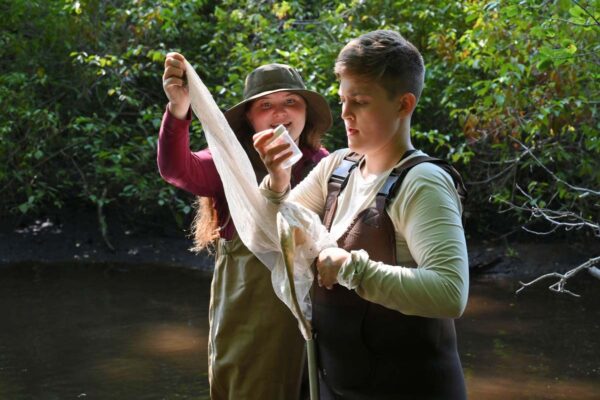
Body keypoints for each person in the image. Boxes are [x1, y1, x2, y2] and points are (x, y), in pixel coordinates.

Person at [254, 30, 469, 399]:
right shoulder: (337, 168)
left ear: (404, 104)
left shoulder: (423, 183)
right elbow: (265, 235)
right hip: (337, 386)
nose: (345, 113)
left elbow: (451, 293)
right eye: (342, 99)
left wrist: (352, 268)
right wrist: (276, 181)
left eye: (361, 102)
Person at [158, 53, 332, 399]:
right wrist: (179, 108)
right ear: (250, 118)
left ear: (305, 114)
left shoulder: (322, 163)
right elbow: (176, 169)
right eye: (266, 106)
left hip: (314, 304)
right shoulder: (230, 163)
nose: (280, 113)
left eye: (291, 103)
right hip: (249, 304)